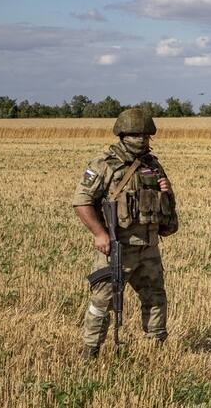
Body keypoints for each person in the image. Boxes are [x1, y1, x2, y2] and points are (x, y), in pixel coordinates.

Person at [72, 108, 179, 358]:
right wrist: (100, 234)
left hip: (148, 246)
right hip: (117, 246)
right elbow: (81, 201)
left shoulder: (152, 165)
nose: (141, 139)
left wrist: (167, 192)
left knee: (155, 298)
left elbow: (165, 209)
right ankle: (91, 351)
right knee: (102, 302)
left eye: (145, 134)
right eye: (135, 134)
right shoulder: (104, 163)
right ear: (122, 135)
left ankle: (157, 347)